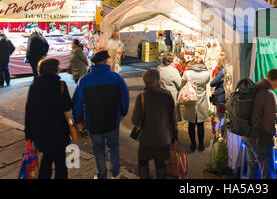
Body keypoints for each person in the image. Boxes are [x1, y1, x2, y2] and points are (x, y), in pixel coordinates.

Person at [72, 50, 130, 179]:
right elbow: (125, 97)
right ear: (105, 62)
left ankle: (101, 175)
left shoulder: (84, 80)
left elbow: (77, 103)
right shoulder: (116, 78)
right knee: (113, 146)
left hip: (93, 121)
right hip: (112, 120)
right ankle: (115, 173)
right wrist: (123, 112)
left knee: (98, 149)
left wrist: (79, 120)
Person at [24, 58, 72, 179]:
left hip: (41, 131)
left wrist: (28, 133)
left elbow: (29, 111)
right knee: (61, 164)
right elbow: (67, 106)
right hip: (59, 131)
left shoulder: (35, 86)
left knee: (46, 160)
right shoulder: (60, 85)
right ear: (54, 69)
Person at [131, 68, 178, 179]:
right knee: (161, 166)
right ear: (158, 79)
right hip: (164, 139)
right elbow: (173, 119)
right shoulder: (167, 95)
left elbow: (135, 120)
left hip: (146, 139)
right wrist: (174, 138)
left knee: (143, 164)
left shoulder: (142, 97)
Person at [242, 68, 277, 179]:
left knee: (252, 172)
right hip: (261, 141)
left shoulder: (254, 88)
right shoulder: (270, 95)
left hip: (247, 137)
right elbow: (268, 124)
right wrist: (274, 132)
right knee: (267, 174)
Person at [181, 56, 210, 152]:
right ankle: (201, 145)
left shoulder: (187, 73)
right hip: (201, 100)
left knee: (191, 124)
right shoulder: (206, 74)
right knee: (201, 124)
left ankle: (193, 144)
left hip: (190, 100)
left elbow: (182, 83)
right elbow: (206, 82)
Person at [158, 54, 182, 121]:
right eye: (175, 60)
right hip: (171, 96)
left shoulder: (159, 69)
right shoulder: (173, 71)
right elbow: (179, 84)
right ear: (171, 61)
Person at [210, 55, 228, 136]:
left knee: (221, 116)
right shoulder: (228, 70)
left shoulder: (222, 71)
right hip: (225, 95)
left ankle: (223, 136)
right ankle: (224, 134)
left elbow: (212, 83)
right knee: (224, 115)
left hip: (220, 95)